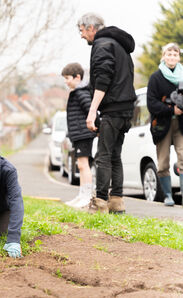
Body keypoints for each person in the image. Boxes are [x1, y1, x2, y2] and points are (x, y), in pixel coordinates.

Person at [77, 13, 136, 213]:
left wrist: (92, 111)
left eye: (82, 30)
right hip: (127, 109)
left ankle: (100, 202)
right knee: (114, 155)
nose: (82, 35)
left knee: (102, 155)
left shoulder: (102, 45)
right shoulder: (119, 45)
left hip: (112, 109)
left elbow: (103, 79)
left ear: (91, 28)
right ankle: (117, 202)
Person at [147, 43, 183, 207]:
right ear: (163, 56)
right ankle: (168, 195)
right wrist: (171, 110)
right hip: (162, 124)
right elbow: (151, 103)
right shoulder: (156, 77)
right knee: (163, 161)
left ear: (179, 57)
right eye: (169, 54)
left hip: (181, 125)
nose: (172, 57)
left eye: (175, 55)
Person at [61, 63, 97, 208]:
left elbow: (90, 111)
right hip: (78, 135)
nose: (65, 81)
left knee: (83, 165)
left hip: (84, 134)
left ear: (77, 77)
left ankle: (87, 197)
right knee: (81, 165)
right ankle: (81, 195)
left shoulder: (82, 93)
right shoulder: (77, 92)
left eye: (67, 78)